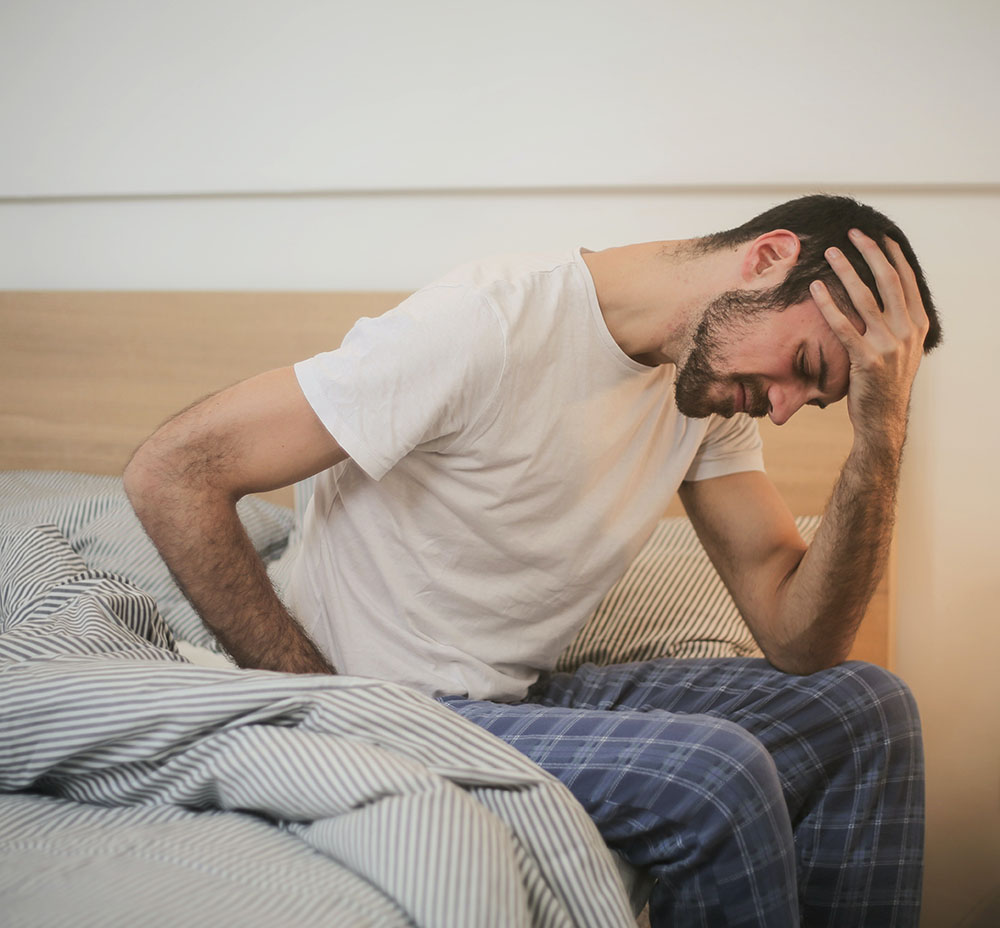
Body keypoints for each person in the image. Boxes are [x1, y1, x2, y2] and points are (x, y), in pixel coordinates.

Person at [125, 194, 941, 927]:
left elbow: (800, 640)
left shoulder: (708, 391)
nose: (789, 408)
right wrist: (325, 706)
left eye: (821, 399)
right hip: (387, 702)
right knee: (713, 778)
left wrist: (882, 432)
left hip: (510, 696)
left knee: (864, 710)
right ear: (766, 259)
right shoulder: (488, 323)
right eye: (803, 369)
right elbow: (173, 471)